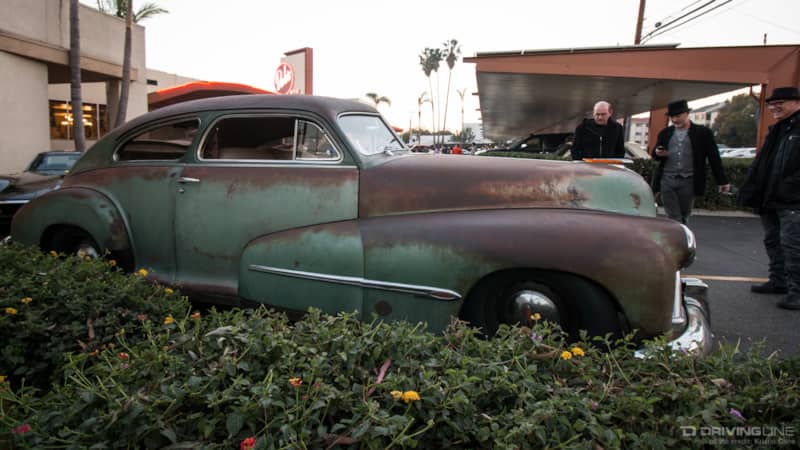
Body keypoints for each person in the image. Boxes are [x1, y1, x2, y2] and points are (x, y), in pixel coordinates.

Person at [738, 86, 800, 310]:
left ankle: (797, 292)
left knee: (793, 245)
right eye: (772, 103)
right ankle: (779, 281)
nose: (774, 106)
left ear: (796, 102)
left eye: (780, 102)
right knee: (773, 241)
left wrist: (787, 187)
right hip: (771, 198)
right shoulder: (777, 129)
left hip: (793, 200)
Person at [651, 99, 730, 224]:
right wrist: (658, 153)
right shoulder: (665, 133)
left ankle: (682, 239)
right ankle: (678, 240)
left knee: (684, 215)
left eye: (678, 116)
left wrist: (722, 181)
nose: (675, 120)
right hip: (667, 180)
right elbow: (655, 155)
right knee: (673, 216)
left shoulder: (703, 133)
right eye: (672, 117)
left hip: (689, 181)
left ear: (687, 114)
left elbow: (714, 157)